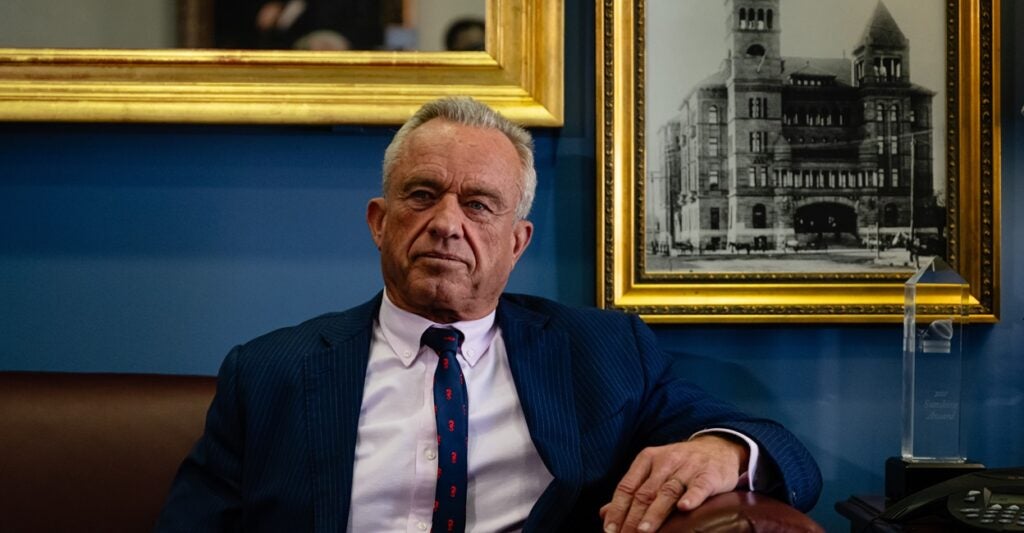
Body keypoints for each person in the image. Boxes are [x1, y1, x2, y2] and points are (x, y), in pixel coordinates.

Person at [156, 97, 822, 532]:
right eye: (422, 195)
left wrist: (722, 449)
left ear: (517, 241)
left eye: (478, 204)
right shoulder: (270, 371)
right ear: (380, 223)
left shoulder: (603, 351)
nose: (447, 224)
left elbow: (784, 452)